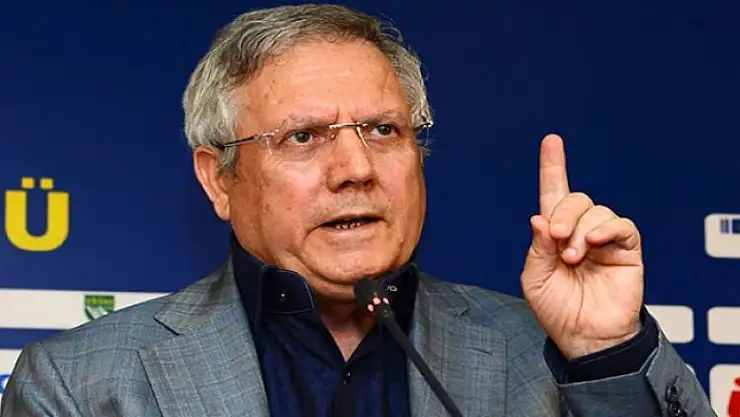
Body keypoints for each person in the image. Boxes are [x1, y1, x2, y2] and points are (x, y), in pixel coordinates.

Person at [1, 4, 715, 417]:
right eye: (304, 137)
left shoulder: (543, 355)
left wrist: (605, 354)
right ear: (219, 179)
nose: (356, 169)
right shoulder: (81, 384)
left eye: (382, 130)